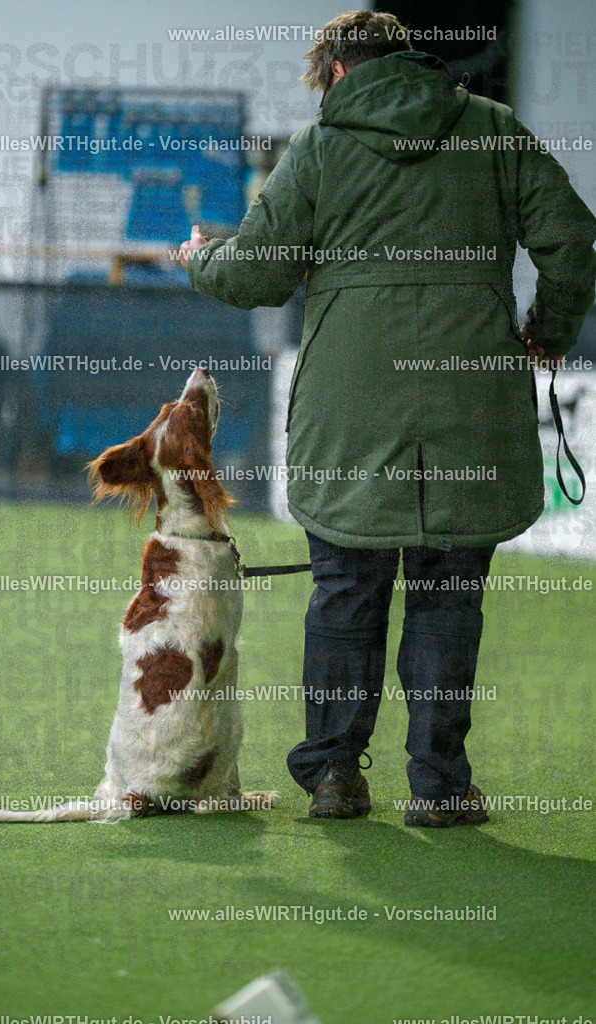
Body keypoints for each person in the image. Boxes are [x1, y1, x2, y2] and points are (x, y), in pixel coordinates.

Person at [179, 10, 596, 826]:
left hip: (349, 404)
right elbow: (573, 242)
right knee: (447, 597)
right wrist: (546, 332)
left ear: (334, 71)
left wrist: (202, 261)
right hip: (468, 396)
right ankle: (439, 787)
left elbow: (258, 274)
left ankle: (333, 775)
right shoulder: (492, 130)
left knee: (343, 591)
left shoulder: (319, 150)